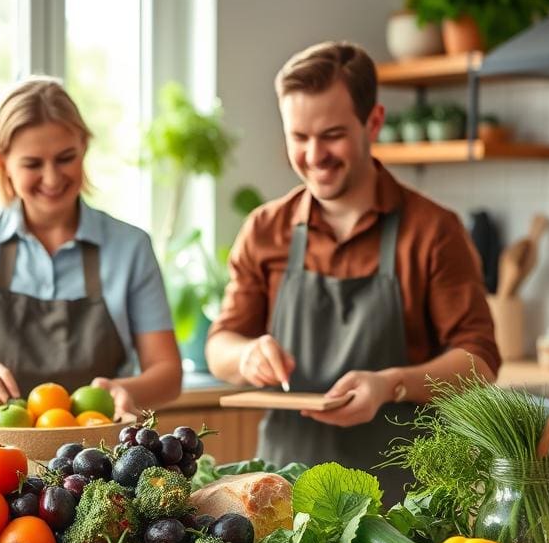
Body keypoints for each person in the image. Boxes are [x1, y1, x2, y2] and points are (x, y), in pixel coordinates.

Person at [205, 41, 500, 505]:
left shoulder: (434, 231)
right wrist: (247, 356)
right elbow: (220, 345)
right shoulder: (265, 229)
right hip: (282, 496)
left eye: (332, 135)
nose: (314, 155)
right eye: (299, 137)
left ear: (374, 122)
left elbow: (480, 364)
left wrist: (391, 384)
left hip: (402, 505)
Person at [0, 77, 182, 416]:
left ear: (84, 148)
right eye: (33, 164)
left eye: (66, 158)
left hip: (98, 455)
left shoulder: (130, 247)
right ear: (2, 162)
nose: (51, 178)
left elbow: (168, 373)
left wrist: (124, 390)